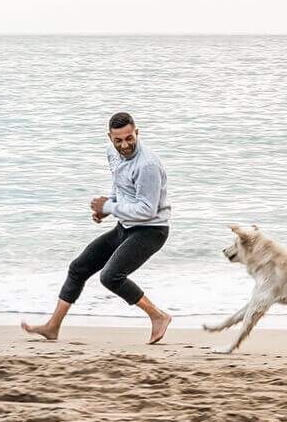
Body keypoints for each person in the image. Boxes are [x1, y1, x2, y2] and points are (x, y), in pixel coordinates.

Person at [21, 112, 173, 344]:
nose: (125, 145)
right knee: (78, 268)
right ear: (110, 138)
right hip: (125, 227)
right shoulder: (113, 152)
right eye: (118, 140)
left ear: (137, 133)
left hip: (151, 231)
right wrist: (107, 208)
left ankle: (158, 316)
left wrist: (110, 207)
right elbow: (119, 184)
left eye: (129, 138)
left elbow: (147, 210)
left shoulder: (148, 165)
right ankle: (52, 327)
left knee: (111, 276)